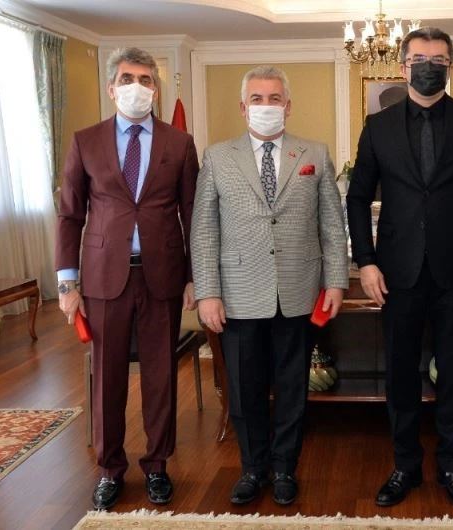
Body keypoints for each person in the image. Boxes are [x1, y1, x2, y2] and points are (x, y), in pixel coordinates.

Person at [346, 27, 453, 508]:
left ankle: (452, 466)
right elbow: (357, 198)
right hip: (395, 273)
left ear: (450, 66)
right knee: (400, 373)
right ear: (403, 66)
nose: (429, 66)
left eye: (439, 59)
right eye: (420, 58)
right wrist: (366, 262)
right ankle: (405, 465)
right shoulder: (377, 127)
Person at [191, 65, 348, 506]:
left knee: (293, 387)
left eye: (274, 98)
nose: (266, 106)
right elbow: (204, 230)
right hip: (238, 293)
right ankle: (252, 468)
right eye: (257, 99)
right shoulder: (217, 157)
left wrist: (336, 281)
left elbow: (332, 226)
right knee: (244, 390)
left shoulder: (313, 152)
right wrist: (207, 292)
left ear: (288, 106)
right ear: (243, 108)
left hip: (299, 291)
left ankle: (284, 469)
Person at [55, 47, 199, 510]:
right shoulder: (85, 141)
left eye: (146, 79)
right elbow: (69, 215)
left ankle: (157, 466)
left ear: (156, 89)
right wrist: (67, 283)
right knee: (107, 376)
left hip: (163, 275)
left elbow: (193, 213)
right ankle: (109, 469)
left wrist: (196, 277)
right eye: (127, 78)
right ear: (111, 88)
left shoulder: (179, 143)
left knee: (161, 374)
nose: (137, 86)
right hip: (102, 278)